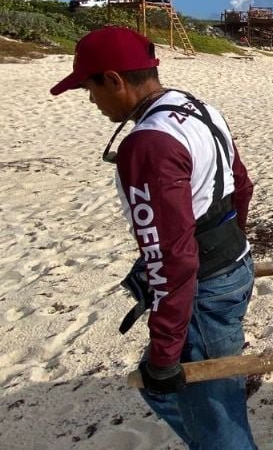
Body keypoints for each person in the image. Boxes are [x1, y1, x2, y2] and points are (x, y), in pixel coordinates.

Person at [50, 27, 258, 450]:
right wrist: (234, 245)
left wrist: (166, 351)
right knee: (190, 395)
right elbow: (242, 185)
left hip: (203, 289)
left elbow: (172, 256)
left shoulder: (148, 143)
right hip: (235, 267)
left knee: (212, 417)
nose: (91, 101)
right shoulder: (199, 108)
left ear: (113, 79)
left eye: (89, 88)